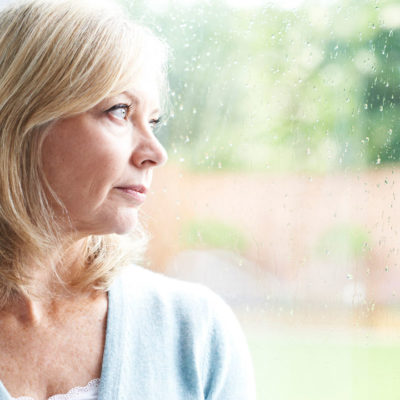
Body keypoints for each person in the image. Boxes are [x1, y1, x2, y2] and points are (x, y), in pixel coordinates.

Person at [0, 0, 256, 399]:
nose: (155, 152)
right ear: (19, 120)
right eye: (120, 111)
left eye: (153, 121)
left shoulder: (196, 333)